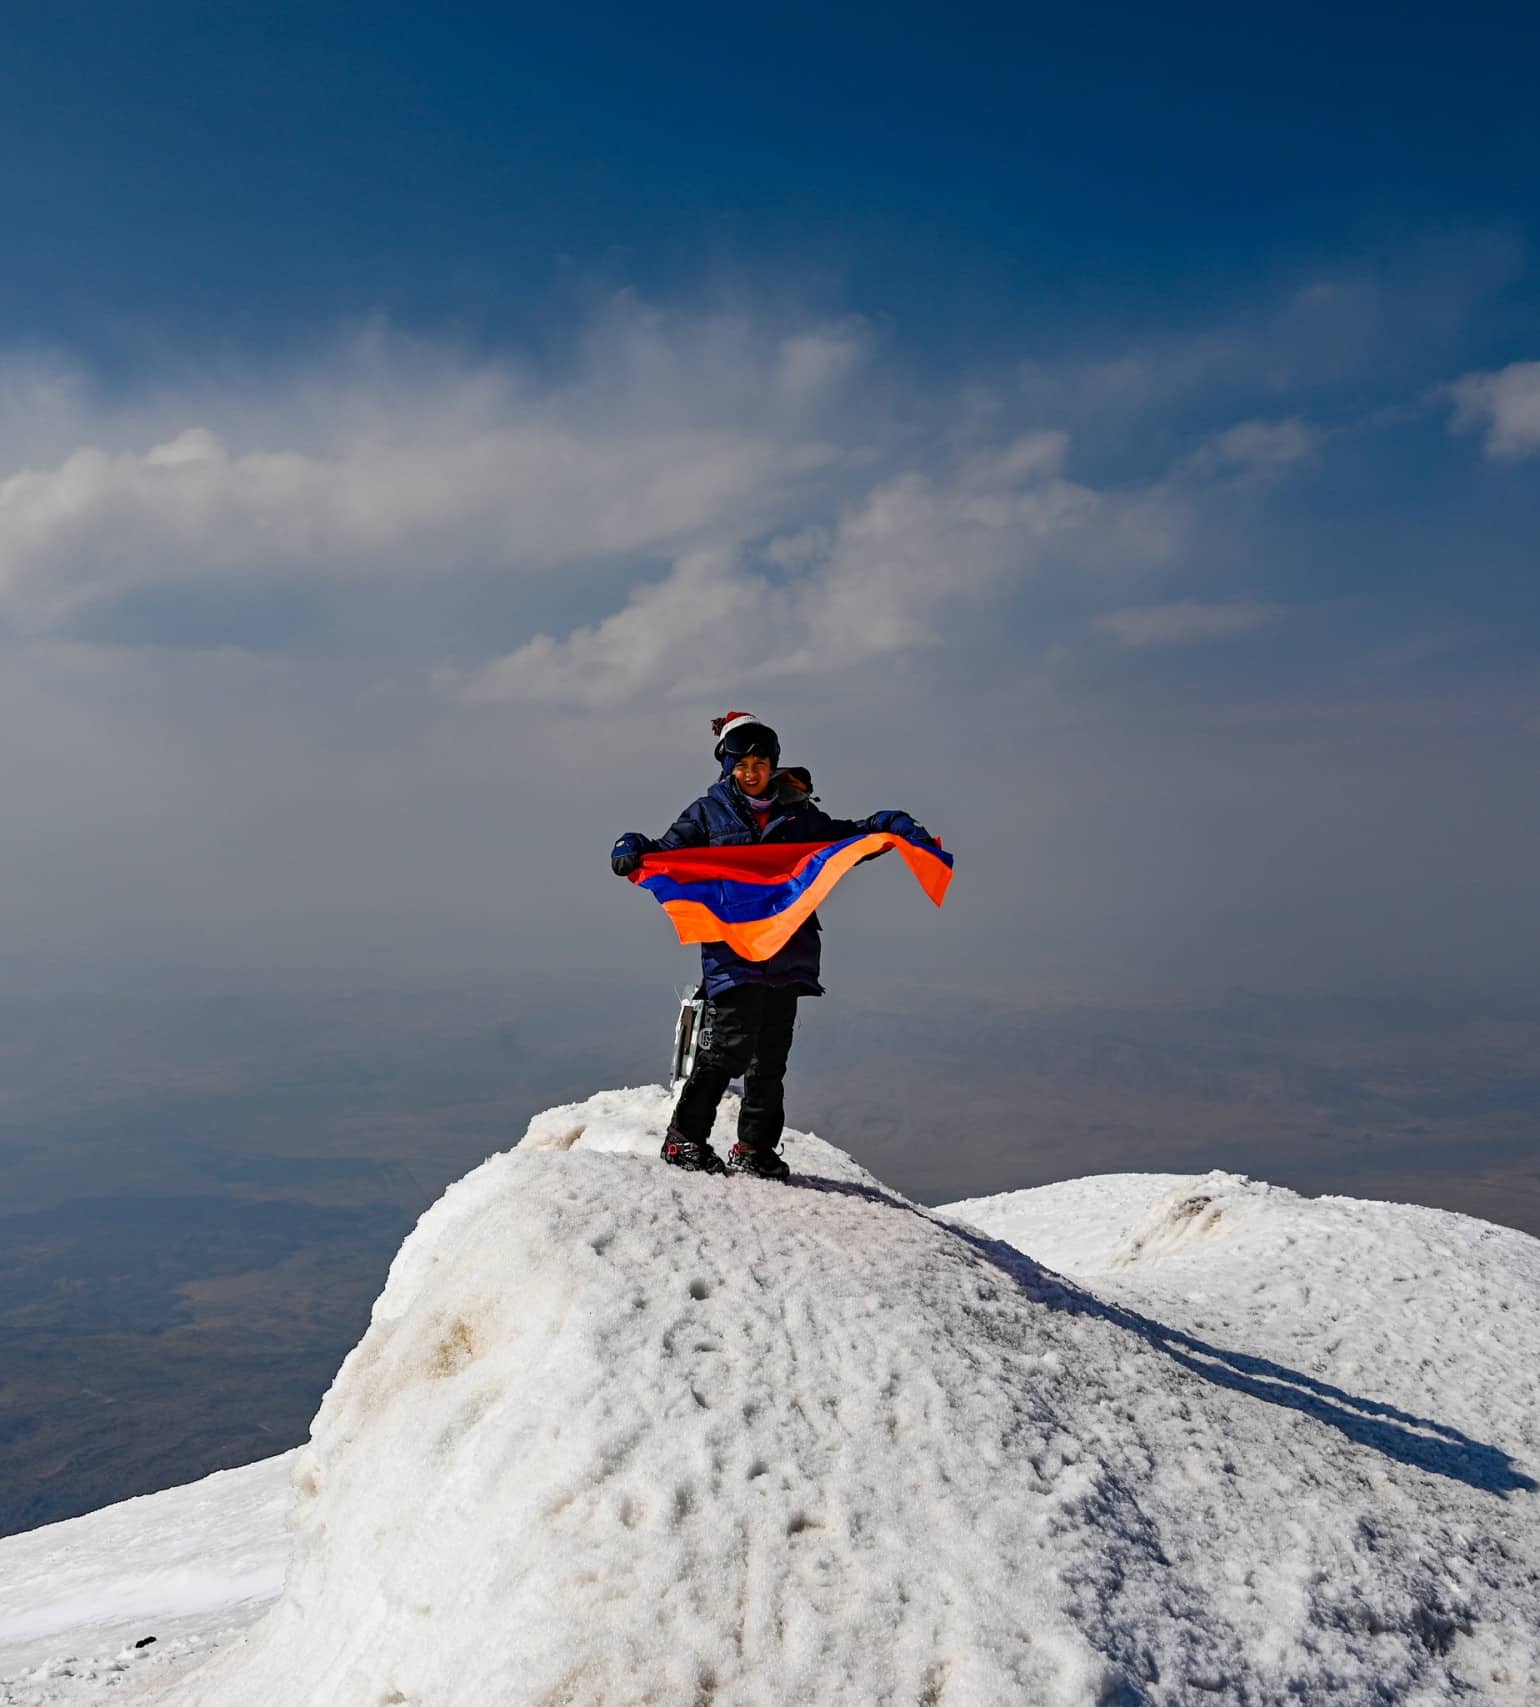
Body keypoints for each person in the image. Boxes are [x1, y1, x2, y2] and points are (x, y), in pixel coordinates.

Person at [610, 713, 932, 1182]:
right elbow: (667, 850)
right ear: (728, 767)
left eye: (760, 763)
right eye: (741, 764)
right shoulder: (708, 813)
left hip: (787, 948)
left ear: (772, 765)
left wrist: (887, 826)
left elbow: (843, 840)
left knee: (770, 1057)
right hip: (732, 947)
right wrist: (633, 845)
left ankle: (755, 1150)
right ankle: (684, 1140)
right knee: (728, 1049)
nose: (751, 772)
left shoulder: (799, 815)